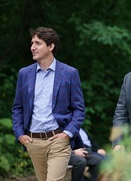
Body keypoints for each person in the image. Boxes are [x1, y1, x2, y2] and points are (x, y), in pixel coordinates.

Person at [12, 27, 85, 181]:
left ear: (50, 46)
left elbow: (79, 109)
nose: (32, 47)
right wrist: (19, 134)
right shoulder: (24, 74)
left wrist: (68, 133)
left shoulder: (70, 73)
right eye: (32, 43)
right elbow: (18, 107)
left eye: (38, 43)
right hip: (33, 141)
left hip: (58, 140)